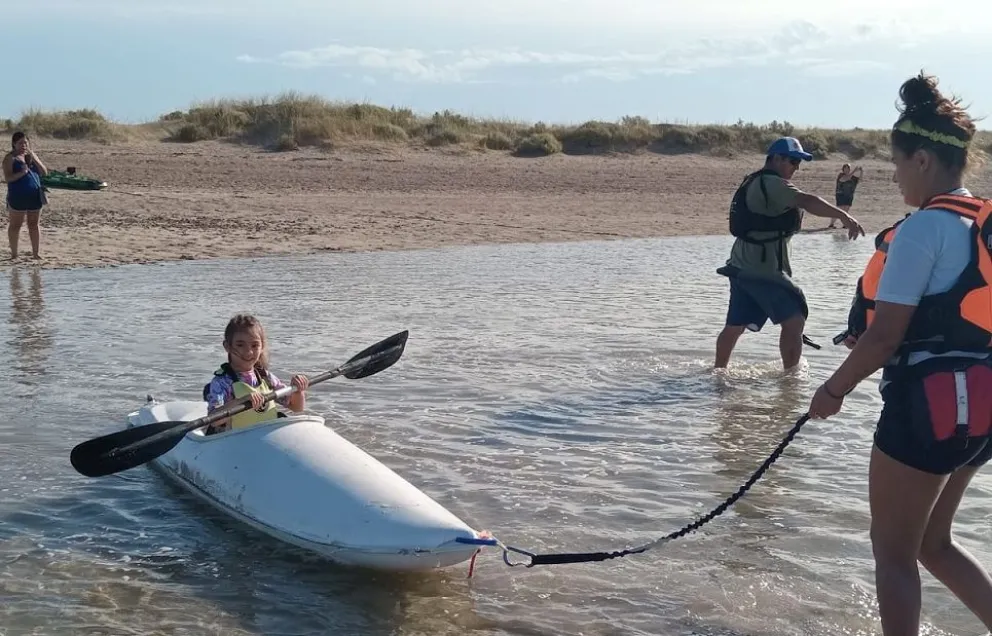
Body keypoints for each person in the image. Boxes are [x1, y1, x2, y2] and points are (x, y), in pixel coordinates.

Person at [808, 72, 992, 635]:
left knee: (892, 555)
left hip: (929, 409)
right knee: (934, 545)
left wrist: (832, 390)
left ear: (920, 160)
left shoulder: (922, 230)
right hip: (983, 407)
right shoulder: (983, 224)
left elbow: (885, 337)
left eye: (894, 165)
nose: (892, 178)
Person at [715, 136, 865, 370]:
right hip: (762, 269)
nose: (796, 167)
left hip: (741, 265)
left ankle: (718, 372)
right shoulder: (772, 183)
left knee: (735, 325)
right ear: (775, 158)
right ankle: (791, 380)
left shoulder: (755, 181)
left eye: (799, 163)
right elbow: (807, 200)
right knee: (794, 319)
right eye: (793, 161)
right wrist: (844, 216)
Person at [202, 313, 310, 435]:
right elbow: (214, 420)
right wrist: (243, 400)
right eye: (240, 345)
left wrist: (298, 390)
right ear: (227, 346)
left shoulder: (266, 377)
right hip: (234, 442)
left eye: (255, 345)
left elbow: (296, 407)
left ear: (262, 346)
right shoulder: (222, 382)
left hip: (265, 440)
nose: (248, 352)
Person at [2, 131, 48, 260]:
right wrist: (22, 173)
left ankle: (35, 253)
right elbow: (8, 178)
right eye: (20, 143)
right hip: (17, 196)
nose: (23, 145)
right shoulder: (10, 158)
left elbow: (44, 172)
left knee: (34, 224)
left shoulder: (30, 156)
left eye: (25, 143)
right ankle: (14, 254)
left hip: (34, 196)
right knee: (15, 225)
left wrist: (34, 158)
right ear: (14, 144)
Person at [828, 163, 864, 228]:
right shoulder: (841, 175)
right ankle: (831, 224)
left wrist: (861, 172)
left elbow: (859, 180)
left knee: (846, 210)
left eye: (848, 168)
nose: (846, 170)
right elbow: (844, 179)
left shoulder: (853, 177)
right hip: (841, 194)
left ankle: (845, 224)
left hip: (849, 195)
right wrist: (854, 171)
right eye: (845, 168)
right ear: (843, 169)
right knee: (839, 210)